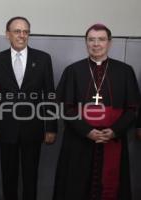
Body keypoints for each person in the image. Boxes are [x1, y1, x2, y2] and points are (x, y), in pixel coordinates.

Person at [54, 24, 140, 200]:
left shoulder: (124, 71)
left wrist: (115, 130)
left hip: (113, 138)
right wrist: (87, 131)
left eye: (101, 39)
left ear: (109, 42)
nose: (96, 44)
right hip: (79, 140)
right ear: (86, 42)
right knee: (75, 185)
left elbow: (133, 108)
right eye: (91, 40)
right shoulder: (73, 71)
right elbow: (64, 106)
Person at [0, 16, 57, 200]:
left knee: (31, 176)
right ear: (7, 34)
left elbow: (49, 95)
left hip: (33, 128)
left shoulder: (43, 59)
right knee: (8, 176)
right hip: (6, 128)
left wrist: (50, 127)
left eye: (25, 31)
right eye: (17, 31)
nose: (22, 35)